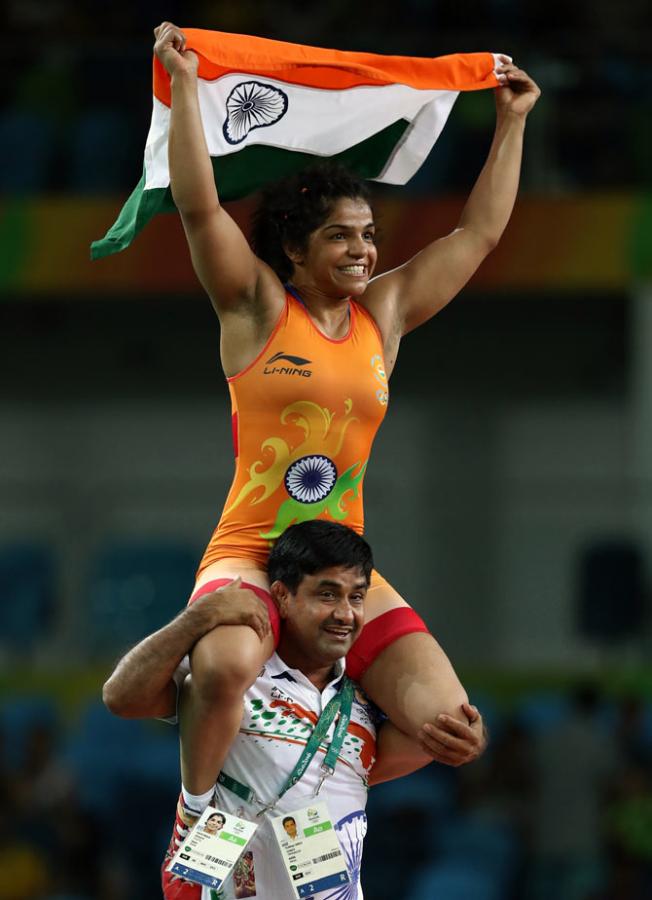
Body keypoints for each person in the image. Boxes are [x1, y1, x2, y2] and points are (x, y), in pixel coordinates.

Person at [145, 21, 539, 812]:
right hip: (253, 554)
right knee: (222, 670)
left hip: (341, 576)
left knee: (449, 727)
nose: (363, 251)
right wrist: (185, 87)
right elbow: (198, 208)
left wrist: (513, 120)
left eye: (369, 235)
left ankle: (303, 783)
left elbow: (480, 232)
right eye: (341, 236)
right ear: (293, 248)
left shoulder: (383, 314)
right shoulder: (256, 308)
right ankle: (199, 816)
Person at [103, 520, 484, 899]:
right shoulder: (235, 680)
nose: (345, 614)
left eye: (356, 597)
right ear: (282, 597)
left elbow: (431, 736)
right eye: (327, 595)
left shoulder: (362, 704)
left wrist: (470, 734)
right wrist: (197, 618)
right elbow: (120, 696)